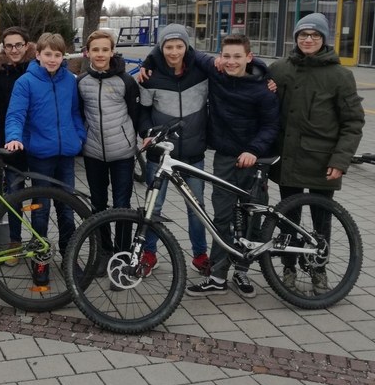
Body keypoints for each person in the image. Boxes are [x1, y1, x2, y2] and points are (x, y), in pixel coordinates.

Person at [269, 13, 364, 294]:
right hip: (288, 159)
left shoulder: (340, 76)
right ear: (296, 38)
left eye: (315, 35)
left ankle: (318, 270)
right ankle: (288, 268)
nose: (308, 40)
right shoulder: (279, 69)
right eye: (303, 35)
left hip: (324, 162)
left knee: (322, 222)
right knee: (289, 218)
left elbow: (353, 122)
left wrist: (341, 160)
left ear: (323, 40)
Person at [180, 34, 279, 297]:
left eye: (238, 56)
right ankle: (217, 276)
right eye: (226, 56)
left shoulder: (262, 89)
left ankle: (243, 272)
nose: (231, 61)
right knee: (221, 218)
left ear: (249, 57)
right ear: (219, 57)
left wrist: (253, 151)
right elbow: (185, 50)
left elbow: (271, 126)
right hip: (224, 158)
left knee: (251, 220)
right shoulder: (217, 73)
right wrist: (148, 65)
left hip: (254, 161)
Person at [4, 32, 86, 286]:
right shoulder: (26, 82)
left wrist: (79, 136)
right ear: (37, 54)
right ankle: (41, 258)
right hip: (40, 155)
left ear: (64, 57)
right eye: (47, 54)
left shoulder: (69, 81)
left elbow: (74, 112)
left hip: (66, 156)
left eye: (57, 55)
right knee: (41, 211)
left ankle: (69, 257)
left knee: (67, 210)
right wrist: (15, 137)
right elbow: (16, 114)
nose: (52, 59)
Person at [137, 24, 210, 275]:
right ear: (161, 47)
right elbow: (143, 111)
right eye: (169, 46)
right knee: (153, 208)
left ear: (187, 46)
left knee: (196, 208)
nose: (174, 51)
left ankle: (200, 255)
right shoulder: (151, 75)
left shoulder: (201, 72)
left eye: (179, 46)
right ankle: (148, 254)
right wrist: (148, 134)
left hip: (193, 153)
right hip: (160, 152)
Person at [77, 30, 139, 275]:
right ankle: (103, 251)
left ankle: (122, 254)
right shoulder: (81, 82)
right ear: (88, 53)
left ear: (112, 51)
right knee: (98, 204)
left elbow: (136, 114)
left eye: (105, 49)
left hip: (122, 152)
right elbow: (80, 113)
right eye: (95, 50)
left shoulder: (126, 80)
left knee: (122, 206)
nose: (100, 54)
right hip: (93, 152)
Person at [0, 26, 36, 265]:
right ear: (3, 48)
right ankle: (15, 242)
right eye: (9, 45)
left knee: (41, 197)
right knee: (13, 195)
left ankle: (40, 241)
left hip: (37, 143)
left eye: (18, 45)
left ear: (27, 45)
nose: (14, 49)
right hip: (10, 144)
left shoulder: (38, 70)